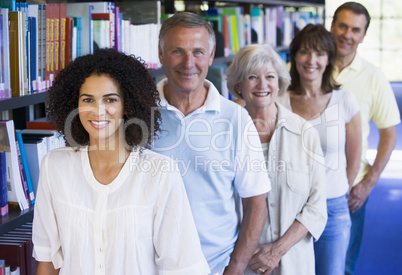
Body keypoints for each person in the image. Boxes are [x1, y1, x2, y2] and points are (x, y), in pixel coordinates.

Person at [32, 49, 210, 275]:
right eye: (88, 99)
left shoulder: (159, 172)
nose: (98, 110)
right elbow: (48, 262)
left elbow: (182, 267)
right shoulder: (55, 166)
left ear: (128, 106)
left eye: (110, 100)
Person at [152, 12, 270, 275]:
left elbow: (256, 202)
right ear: (160, 54)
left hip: (215, 267)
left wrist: (236, 268)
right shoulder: (138, 116)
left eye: (197, 52)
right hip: (150, 265)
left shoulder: (236, 119)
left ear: (211, 53)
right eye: (177, 51)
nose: (188, 62)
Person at [226, 43, 327, 275]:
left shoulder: (304, 134)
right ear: (238, 85)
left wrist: (277, 250)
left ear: (279, 82)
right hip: (241, 265)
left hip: (293, 263)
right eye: (252, 77)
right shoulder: (225, 135)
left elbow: (317, 207)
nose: (263, 85)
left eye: (270, 76)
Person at [277, 24, 362, 275]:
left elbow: (354, 159)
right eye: (304, 52)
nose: (311, 60)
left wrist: (334, 190)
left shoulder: (344, 100)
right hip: (289, 208)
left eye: (320, 53)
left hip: (332, 206)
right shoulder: (279, 100)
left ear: (329, 59)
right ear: (294, 56)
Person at [329, 3, 401, 274]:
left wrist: (368, 184)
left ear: (363, 35)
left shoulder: (373, 77)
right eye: (343, 26)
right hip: (304, 184)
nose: (347, 34)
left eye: (355, 30)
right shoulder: (308, 66)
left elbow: (389, 133)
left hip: (349, 187)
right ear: (333, 26)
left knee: (342, 265)